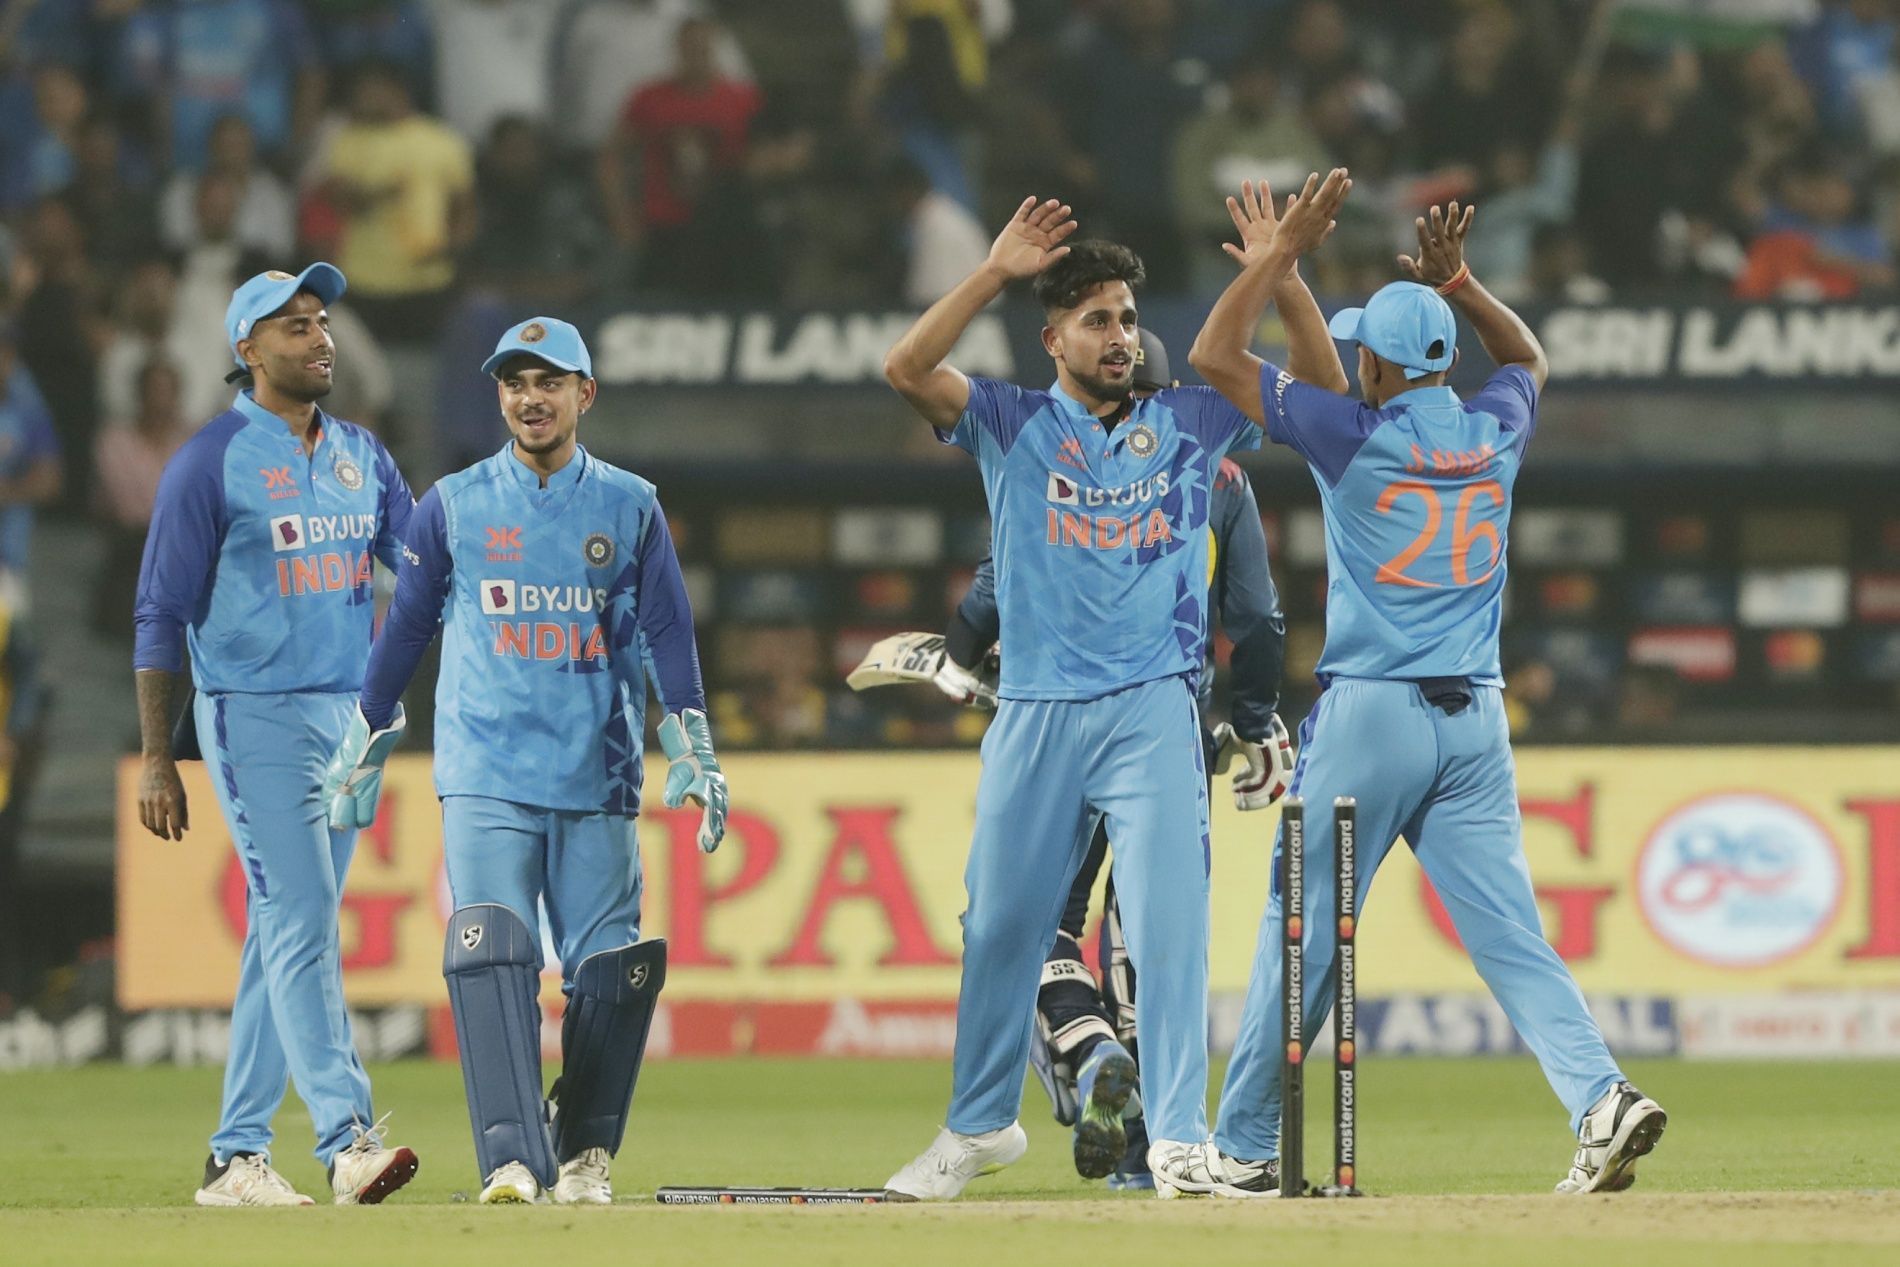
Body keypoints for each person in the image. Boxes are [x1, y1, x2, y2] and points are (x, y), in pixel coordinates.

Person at [1187, 173, 1668, 1195]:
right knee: (1507, 934)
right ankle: (1599, 1096)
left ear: (1378, 364)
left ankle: (1239, 1148)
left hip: (1372, 715)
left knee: (1300, 926)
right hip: (1476, 721)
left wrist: (1277, 263)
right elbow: (1527, 356)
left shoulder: (1352, 437)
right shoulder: (1493, 424)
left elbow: (1210, 360)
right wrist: (1460, 281)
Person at [879, 197, 1269, 1200]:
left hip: (1151, 711)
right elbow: (905, 369)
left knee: (1169, 924)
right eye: (1096, 320)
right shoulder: (1010, 422)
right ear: (1052, 338)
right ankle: (976, 1128)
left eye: (1128, 318)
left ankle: (1181, 1137)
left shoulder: (1189, 424)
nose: (1120, 337)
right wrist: (993, 274)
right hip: (1038, 711)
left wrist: (1280, 270)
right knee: (1001, 924)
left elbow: (1305, 381)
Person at [324, 316, 728, 1206]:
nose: (530, 398)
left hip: (598, 771)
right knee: (491, 953)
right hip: (486, 770)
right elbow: (408, 626)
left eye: (549, 381)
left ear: (586, 394)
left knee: (609, 974)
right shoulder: (456, 503)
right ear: (498, 396)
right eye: (514, 383)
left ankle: (583, 1151)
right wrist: (366, 730)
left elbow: (667, 628)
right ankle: (511, 1159)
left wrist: (691, 734)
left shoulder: (630, 503)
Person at [936, 329, 1293, 1191]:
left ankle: (1091, 1056)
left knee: (1031, 928)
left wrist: (959, 656)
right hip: (1170, 735)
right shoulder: (1227, 479)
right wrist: (1255, 718)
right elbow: (1256, 618)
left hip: (1059, 725)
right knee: (1150, 937)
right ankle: (1151, 1142)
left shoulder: (1063, 457)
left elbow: (993, 588)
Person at [132, 262, 421, 1207]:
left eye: (323, 318)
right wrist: (157, 755)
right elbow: (159, 614)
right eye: (293, 325)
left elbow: (419, 563)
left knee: (282, 931)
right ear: (247, 350)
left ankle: (235, 1154)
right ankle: (347, 1140)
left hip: (349, 717)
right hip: (250, 710)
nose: (319, 337)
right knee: (299, 922)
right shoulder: (209, 460)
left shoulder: (364, 455)